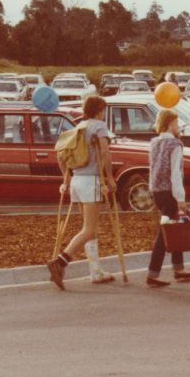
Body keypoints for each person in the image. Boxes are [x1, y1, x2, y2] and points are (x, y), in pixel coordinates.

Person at [47, 95, 116, 289]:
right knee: (90, 229)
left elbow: (60, 155)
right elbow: (105, 152)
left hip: (77, 180)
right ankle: (60, 262)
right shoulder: (99, 127)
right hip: (91, 181)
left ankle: (96, 271)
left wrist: (66, 178)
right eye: (103, 110)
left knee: (89, 228)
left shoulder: (78, 127)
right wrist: (110, 178)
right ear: (99, 110)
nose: (104, 114)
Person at [145, 108, 190, 287]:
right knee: (165, 232)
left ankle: (178, 268)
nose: (178, 126)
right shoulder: (175, 145)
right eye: (175, 123)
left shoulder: (154, 143)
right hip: (170, 193)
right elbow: (175, 173)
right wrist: (180, 198)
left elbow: (154, 168)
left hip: (157, 191)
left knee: (175, 227)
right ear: (169, 124)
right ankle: (153, 273)